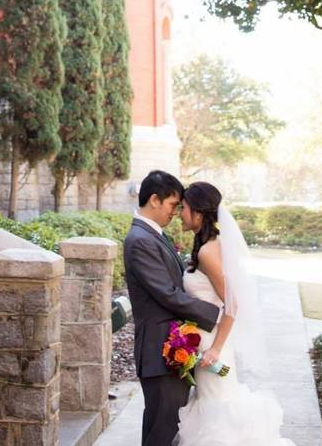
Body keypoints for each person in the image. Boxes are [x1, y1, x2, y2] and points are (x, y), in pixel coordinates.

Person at [175, 181, 294, 445]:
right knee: (216, 406)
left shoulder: (208, 251)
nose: (179, 214)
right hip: (207, 341)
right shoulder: (209, 244)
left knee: (218, 409)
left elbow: (232, 304)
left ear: (198, 212)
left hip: (212, 346)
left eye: (183, 208)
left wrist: (215, 349)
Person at [123, 171, 221, 446]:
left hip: (172, 350)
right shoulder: (140, 240)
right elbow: (168, 294)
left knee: (170, 427)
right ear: (154, 200)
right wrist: (216, 313)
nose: (176, 212)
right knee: (162, 431)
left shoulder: (154, 235)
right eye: (172, 205)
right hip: (159, 351)